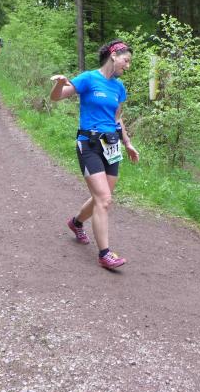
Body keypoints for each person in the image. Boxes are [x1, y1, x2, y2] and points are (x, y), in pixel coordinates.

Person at [50, 40, 140, 269]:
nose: (128, 66)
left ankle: (76, 223)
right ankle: (105, 254)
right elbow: (57, 97)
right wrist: (59, 84)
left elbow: (117, 118)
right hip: (88, 144)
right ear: (113, 56)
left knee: (103, 196)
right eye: (126, 60)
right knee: (104, 199)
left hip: (111, 146)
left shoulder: (119, 87)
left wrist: (128, 143)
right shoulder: (89, 78)